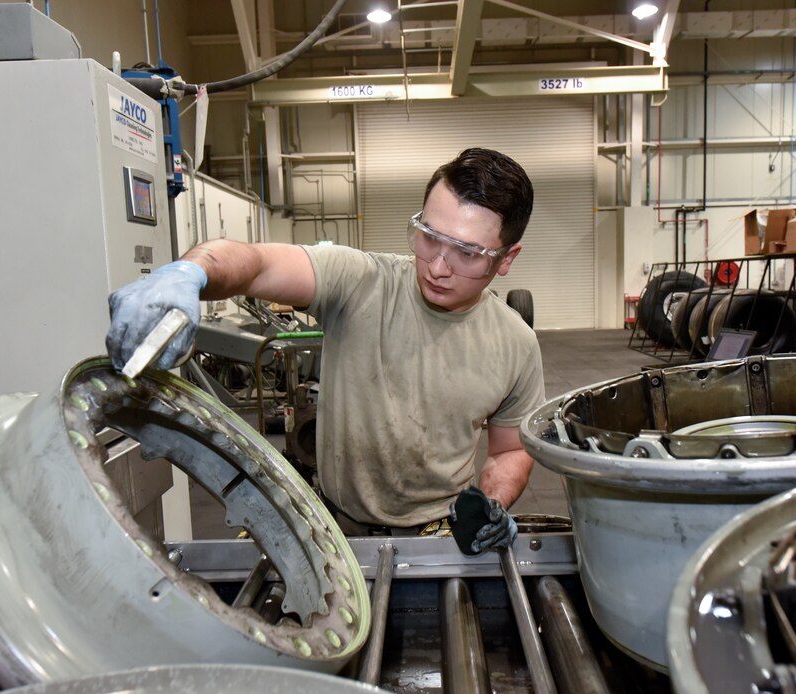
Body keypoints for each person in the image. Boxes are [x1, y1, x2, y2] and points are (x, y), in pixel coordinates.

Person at [106, 148, 544, 553]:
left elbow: (510, 450)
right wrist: (191, 271)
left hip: (441, 532)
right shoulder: (359, 283)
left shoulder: (515, 345)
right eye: (429, 236)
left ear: (505, 259)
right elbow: (256, 263)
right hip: (336, 525)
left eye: (467, 252)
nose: (438, 266)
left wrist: (490, 504)